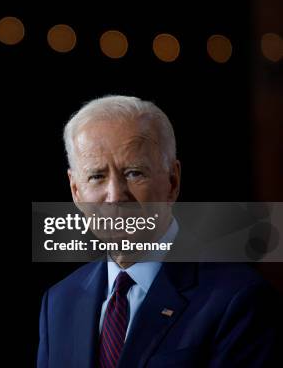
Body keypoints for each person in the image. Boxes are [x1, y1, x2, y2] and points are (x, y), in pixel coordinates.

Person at [37, 95, 279, 367]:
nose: (115, 196)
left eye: (134, 173)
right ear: (76, 191)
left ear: (172, 182)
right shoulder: (58, 303)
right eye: (96, 176)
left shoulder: (238, 300)